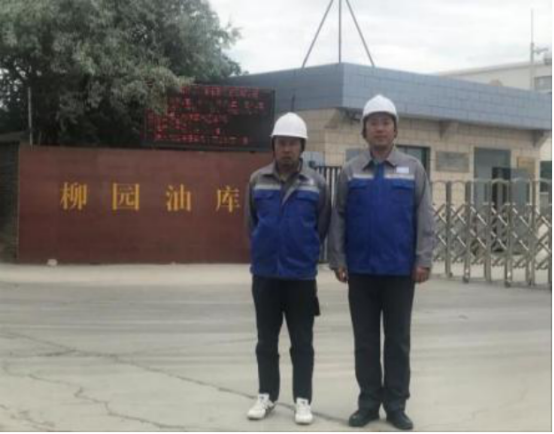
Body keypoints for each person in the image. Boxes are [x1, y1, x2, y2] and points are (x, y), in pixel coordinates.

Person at [328, 95, 436, 431]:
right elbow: (339, 216)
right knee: (365, 341)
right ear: (364, 130)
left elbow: (425, 217)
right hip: (361, 271)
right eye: (373, 123)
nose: (379, 128)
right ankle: (368, 403)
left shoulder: (413, 169)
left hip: (400, 271)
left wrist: (423, 259)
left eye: (385, 122)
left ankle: (396, 405)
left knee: (398, 341)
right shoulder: (351, 171)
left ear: (395, 129)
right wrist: (338, 258)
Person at [245, 112, 331, 425]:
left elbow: (321, 226)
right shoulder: (257, 180)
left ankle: (302, 399)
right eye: (282, 142)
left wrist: (304, 252)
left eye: (293, 143)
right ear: (274, 145)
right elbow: (252, 224)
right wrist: (265, 249)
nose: (286, 149)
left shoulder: (317, 183)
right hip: (265, 275)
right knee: (265, 341)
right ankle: (266, 395)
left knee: (302, 343)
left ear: (302, 147)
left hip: (300, 278)